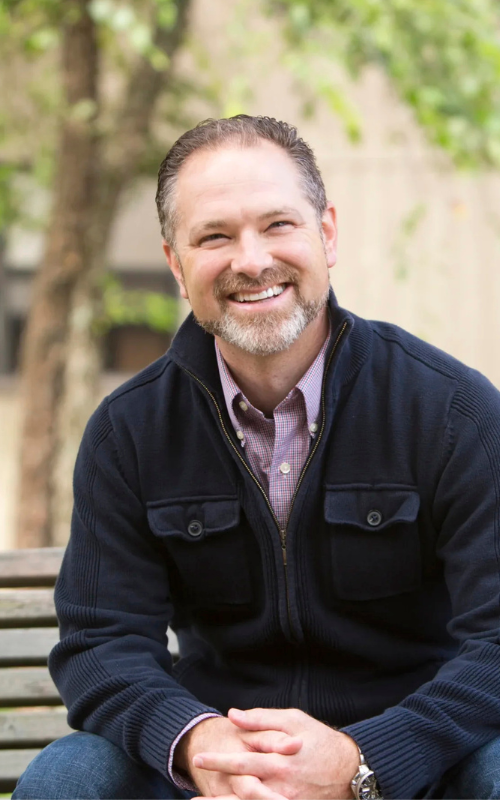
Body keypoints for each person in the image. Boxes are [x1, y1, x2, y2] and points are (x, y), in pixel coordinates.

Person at [13, 115, 500, 800]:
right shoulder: (130, 432)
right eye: (214, 236)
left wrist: (364, 761)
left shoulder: (451, 411)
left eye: (278, 225)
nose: (250, 259)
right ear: (177, 266)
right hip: (219, 775)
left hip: (412, 770)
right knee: (70, 776)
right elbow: (101, 645)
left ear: (326, 233)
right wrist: (197, 743)